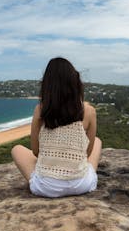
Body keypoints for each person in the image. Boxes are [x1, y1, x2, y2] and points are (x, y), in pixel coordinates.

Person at [11, 57, 102, 198]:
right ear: (75, 83)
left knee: (17, 149)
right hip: (81, 185)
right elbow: (87, 154)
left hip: (46, 188)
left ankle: (52, 172)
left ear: (47, 86)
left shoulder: (40, 110)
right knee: (97, 141)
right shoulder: (89, 111)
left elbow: (36, 152)